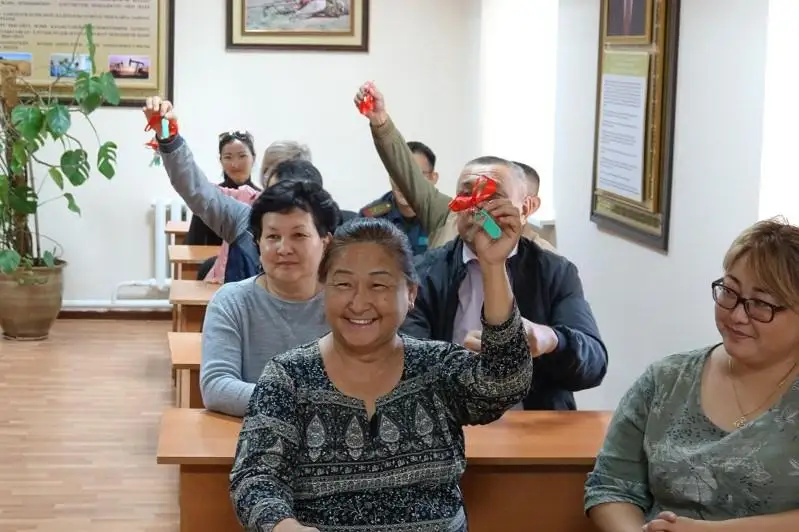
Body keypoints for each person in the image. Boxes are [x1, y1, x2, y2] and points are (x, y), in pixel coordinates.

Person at [229, 214, 533, 531]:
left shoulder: (436, 368)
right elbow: (256, 476)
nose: (359, 303)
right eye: (344, 284)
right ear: (324, 290)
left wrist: (494, 266)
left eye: (379, 285)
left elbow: (504, 383)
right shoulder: (288, 377)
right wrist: (283, 527)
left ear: (411, 294)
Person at [585, 217, 799, 531]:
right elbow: (610, 486)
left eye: (761, 304)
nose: (737, 315)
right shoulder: (666, 380)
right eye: (730, 292)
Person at [361, 142, 606, 409]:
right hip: (450, 424)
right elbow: (401, 363)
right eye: (467, 196)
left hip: (532, 426)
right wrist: (460, 363)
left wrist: (549, 339)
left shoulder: (554, 272)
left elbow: (593, 365)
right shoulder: (422, 273)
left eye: (492, 197)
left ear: (524, 209)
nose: (478, 209)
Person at [356, 81, 556, 253]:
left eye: (496, 196)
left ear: (528, 206)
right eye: (469, 192)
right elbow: (407, 174)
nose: (480, 204)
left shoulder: (546, 260)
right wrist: (381, 123)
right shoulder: (448, 216)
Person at [185, 130, 260, 279]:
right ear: (221, 161)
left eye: (242, 156)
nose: (235, 164)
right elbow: (194, 245)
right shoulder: (210, 197)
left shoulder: (262, 199)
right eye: (228, 157)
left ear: (253, 158)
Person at [359, 141, 439, 256]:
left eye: (415, 175)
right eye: (397, 172)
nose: (404, 181)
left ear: (433, 178)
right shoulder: (371, 216)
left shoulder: (444, 218)